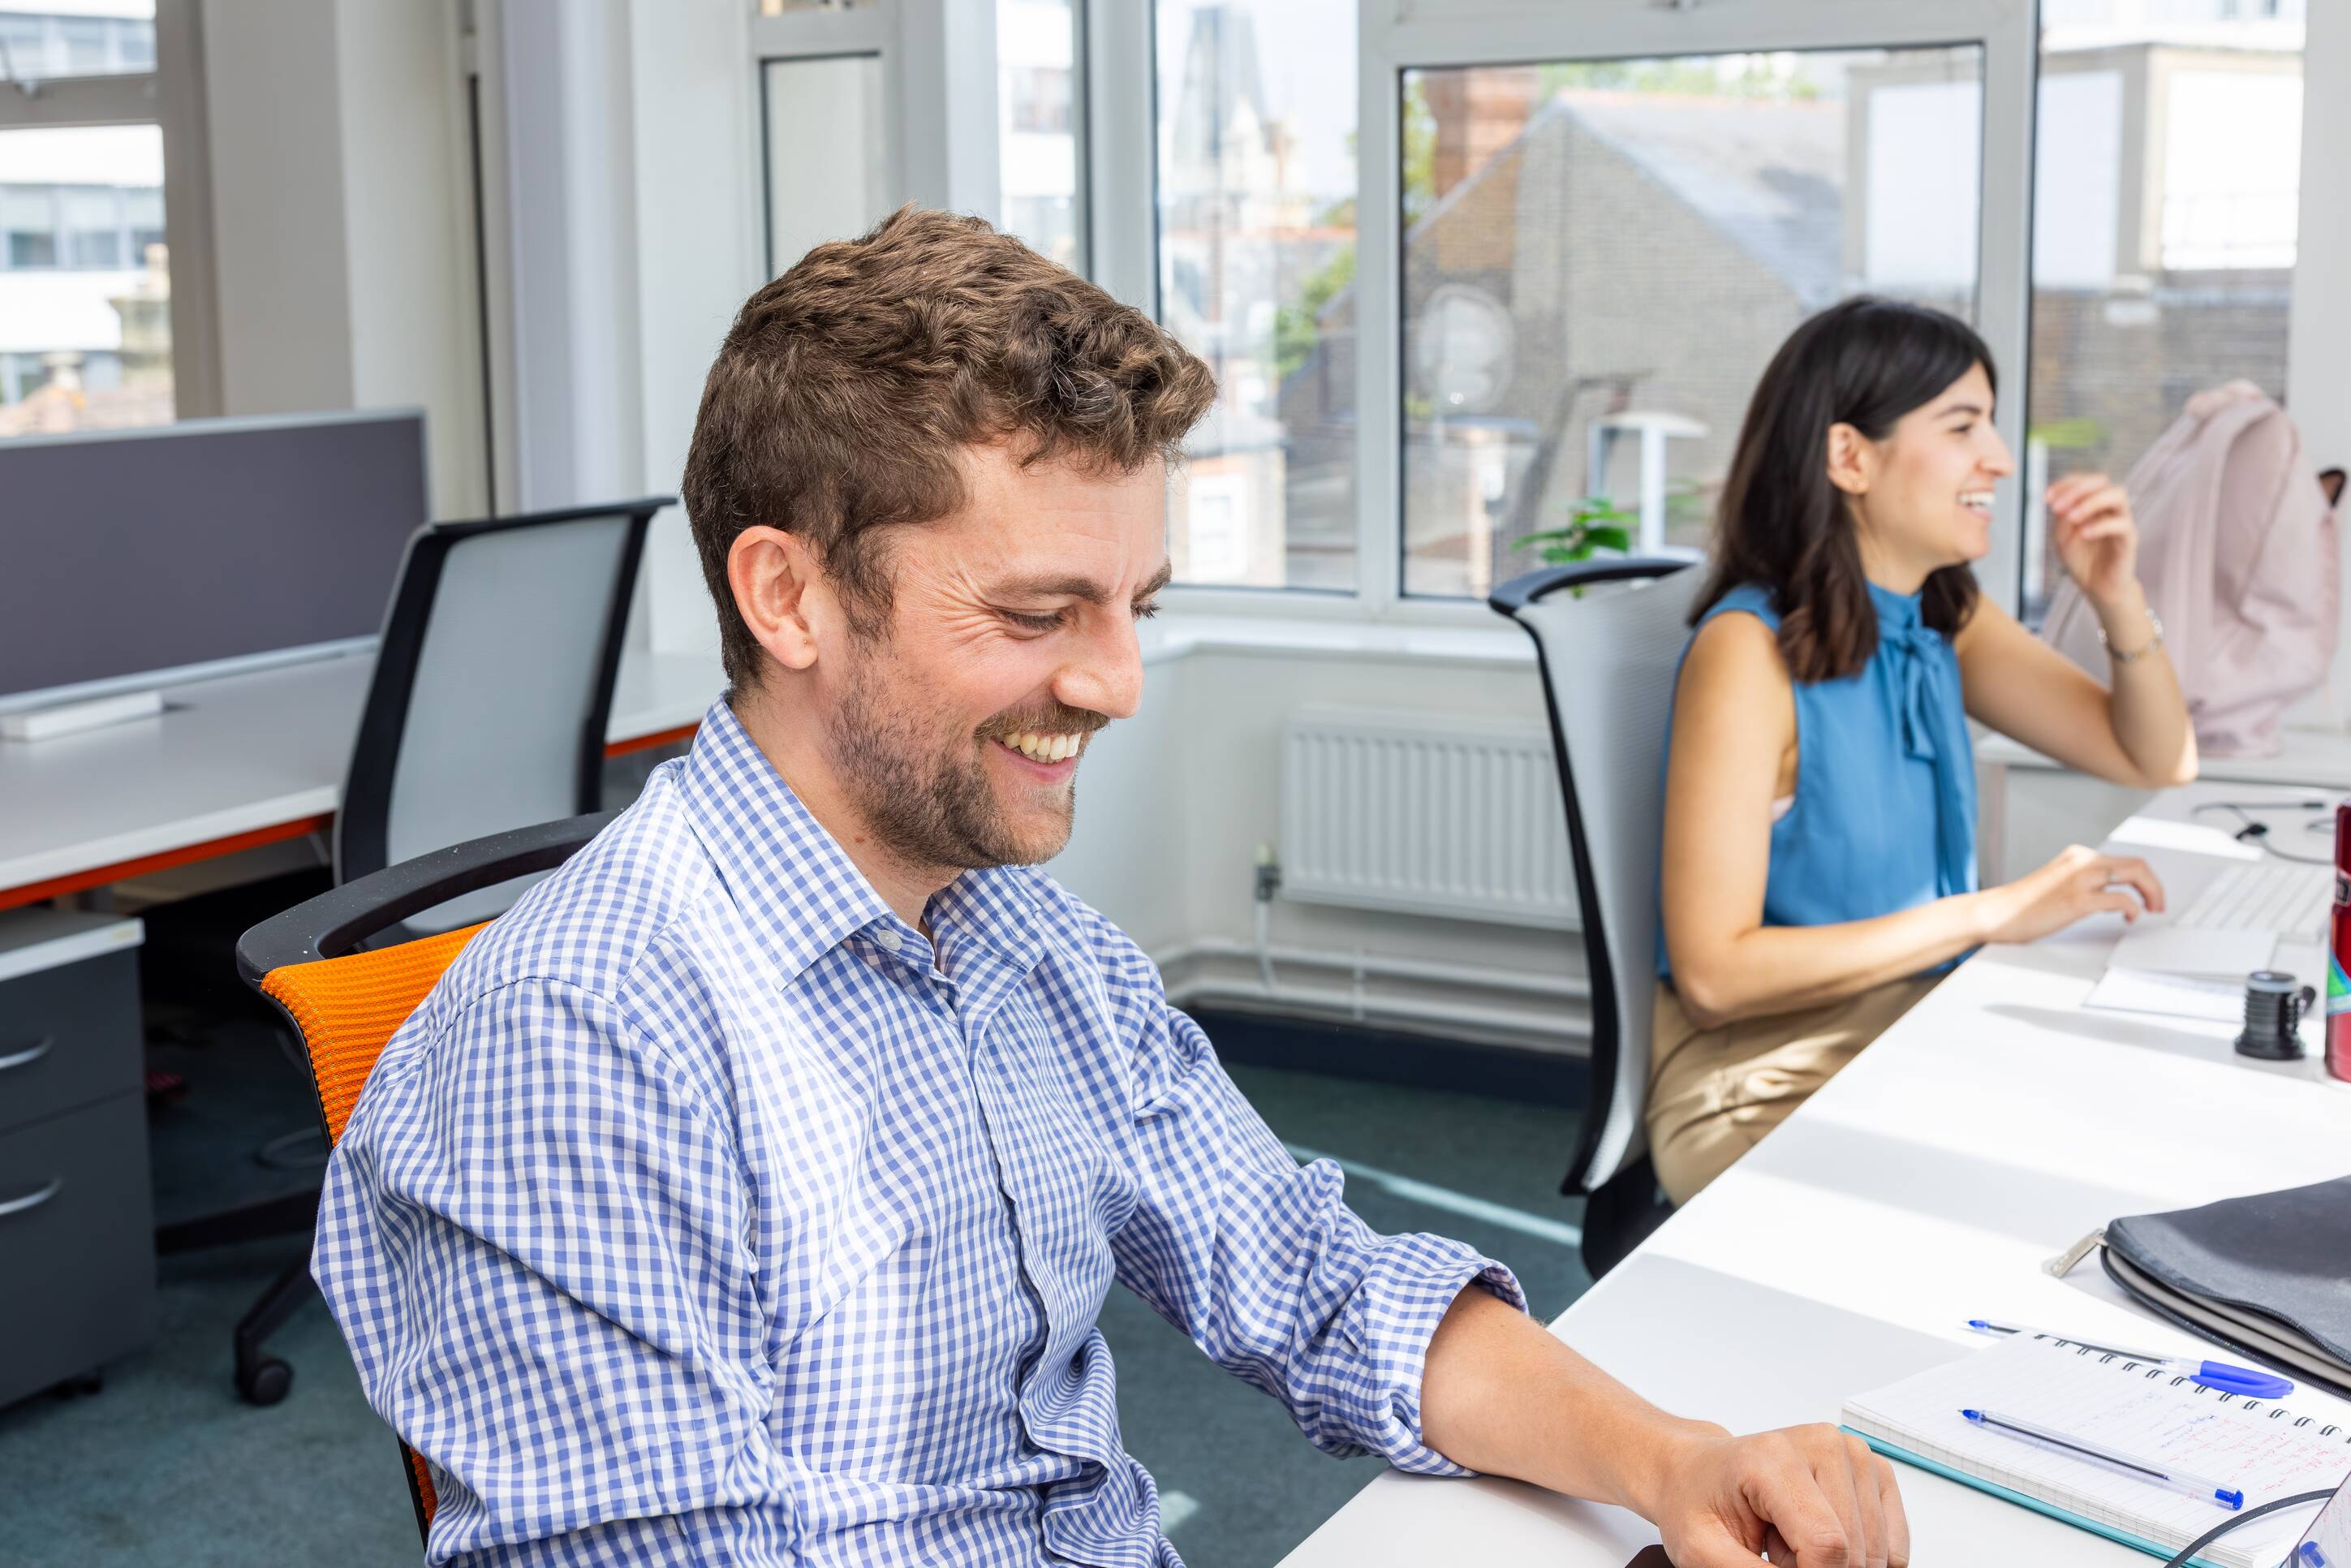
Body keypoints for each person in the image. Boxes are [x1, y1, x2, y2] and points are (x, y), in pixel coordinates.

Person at [314, 209, 1908, 1568]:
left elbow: (1311, 1282)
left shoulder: (1023, 935)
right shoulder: (576, 1051)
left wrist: (1671, 1465)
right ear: (786, 593)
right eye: (1037, 612)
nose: (1117, 683)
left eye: (1133, 603)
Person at [1651, 297, 2197, 1207]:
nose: (1996, 457)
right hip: (1762, 1083)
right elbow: (1713, 977)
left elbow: (2154, 757)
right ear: (1848, 457)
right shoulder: (1745, 654)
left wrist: (2114, 597)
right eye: (1961, 425)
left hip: (1915, 1035)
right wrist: (1991, 914)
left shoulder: (1941, 618)